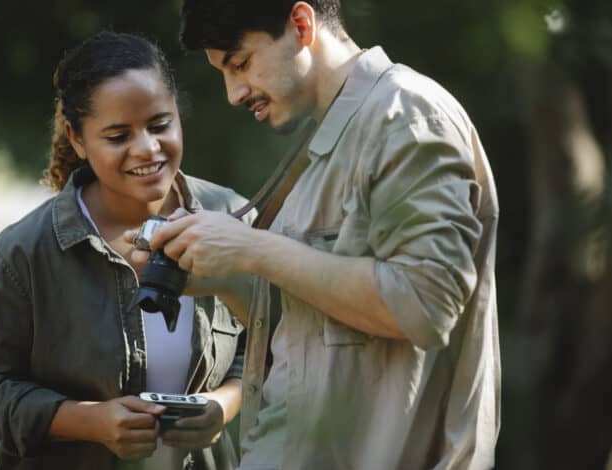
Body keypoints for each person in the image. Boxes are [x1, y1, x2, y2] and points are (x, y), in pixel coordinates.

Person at [125, 1, 501, 469]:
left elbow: (426, 304)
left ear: (301, 25)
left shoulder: (405, 116)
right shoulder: (328, 135)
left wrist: (252, 248)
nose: (233, 92)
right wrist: (218, 274)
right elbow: (313, 328)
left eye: (240, 64)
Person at [0, 31, 252, 470]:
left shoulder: (235, 219)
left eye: (160, 125)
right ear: (76, 138)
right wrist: (88, 422)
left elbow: (277, 344)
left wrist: (224, 405)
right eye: (117, 135)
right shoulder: (24, 253)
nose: (147, 148)